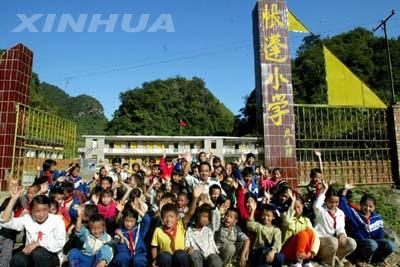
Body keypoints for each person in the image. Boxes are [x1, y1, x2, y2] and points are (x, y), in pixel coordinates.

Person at [0, 181, 66, 267]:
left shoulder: (57, 221)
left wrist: (38, 243)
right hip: (30, 254)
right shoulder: (28, 219)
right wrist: (13, 199)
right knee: (18, 259)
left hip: (50, 256)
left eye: (45, 210)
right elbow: (5, 222)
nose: (41, 214)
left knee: (38, 252)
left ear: (49, 208)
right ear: (31, 211)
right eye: (37, 211)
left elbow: (60, 243)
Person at [339, 183, 396, 266]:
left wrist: (382, 246)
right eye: (365, 205)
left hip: (373, 244)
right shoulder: (355, 215)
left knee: (390, 245)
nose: (367, 208)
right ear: (361, 205)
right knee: (372, 244)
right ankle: (359, 259)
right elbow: (343, 205)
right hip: (360, 244)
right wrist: (345, 190)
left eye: (370, 206)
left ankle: (378, 260)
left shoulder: (377, 218)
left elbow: (380, 235)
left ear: (374, 207)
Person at [150, 185, 203, 267]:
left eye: (171, 217)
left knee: (180, 254)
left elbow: (190, 213)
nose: (168, 220)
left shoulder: (180, 224)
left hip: (180, 259)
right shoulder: (158, 230)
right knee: (164, 255)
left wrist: (195, 197)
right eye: (165, 217)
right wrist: (154, 260)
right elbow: (154, 247)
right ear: (162, 218)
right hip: (166, 260)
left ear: (176, 217)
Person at [313, 181, 356, 266]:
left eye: (336, 202)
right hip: (321, 240)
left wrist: (342, 233)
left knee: (351, 243)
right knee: (333, 242)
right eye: (331, 202)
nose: (334, 205)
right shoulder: (321, 210)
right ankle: (327, 261)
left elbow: (340, 226)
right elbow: (316, 205)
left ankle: (337, 258)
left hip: (333, 241)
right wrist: (325, 190)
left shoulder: (340, 212)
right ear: (325, 201)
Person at [281, 189, 319, 266]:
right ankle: (296, 262)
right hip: (288, 251)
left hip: (302, 253)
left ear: (302, 206)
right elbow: (287, 221)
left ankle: (305, 260)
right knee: (303, 234)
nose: (296, 210)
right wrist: (292, 201)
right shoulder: (286, 215)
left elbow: (315, 237)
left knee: (310, 232)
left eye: (298, 207)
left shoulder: (306, 220)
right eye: (294, 207)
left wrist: (310, 253)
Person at [247, 202, 284, 267]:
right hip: (258, 252)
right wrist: (253, 210)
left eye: (268, 216)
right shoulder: (259, 226)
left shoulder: (276, 230)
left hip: (270, 252)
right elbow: (249, 225)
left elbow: (277, 243)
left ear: (273, 217)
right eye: (263, 215)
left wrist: (272, 251)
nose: (265, 217)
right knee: (265, 251)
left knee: (280, 256)